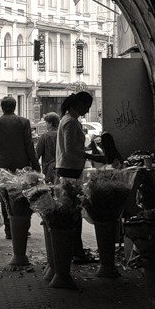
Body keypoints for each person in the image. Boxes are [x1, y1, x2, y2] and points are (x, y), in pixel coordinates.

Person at [56, 91, 101, 264]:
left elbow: (73, 147)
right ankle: (76, 252)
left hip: (69, 168)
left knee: (73, 211)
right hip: (70, 169)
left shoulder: (69, 120)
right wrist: (92, 156)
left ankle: (76, 250)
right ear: (79, 104)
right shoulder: (70, 122)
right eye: (87, 106)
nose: (87, 110)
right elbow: (70, 149)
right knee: (73, 213)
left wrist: (89, 148)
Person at [0, 96, 40, 239]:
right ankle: (22, 227)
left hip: (2, 166)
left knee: (5, 197)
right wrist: (36, 165)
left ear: (2, 107)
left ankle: (9, 229)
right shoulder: (24, 122)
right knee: (23, 196)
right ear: (15, 107)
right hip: (22, 166)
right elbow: (29, 145)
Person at [35, 112, 60, 183]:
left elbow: (37, 154)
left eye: (46, 123)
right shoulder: (62, 135)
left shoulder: (44, 136)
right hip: (61, 168)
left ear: (50, 123)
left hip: (48, 170)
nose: (45, 125)